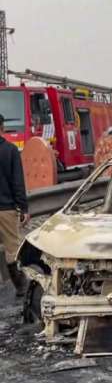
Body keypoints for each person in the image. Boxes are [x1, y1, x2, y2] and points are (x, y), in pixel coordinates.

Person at [0, 114, 29, 297]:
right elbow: (17, 183)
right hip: (6, 209)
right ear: (2, 126)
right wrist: (23, 208)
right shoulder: (10, 150)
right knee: (13, 250)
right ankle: (21, 288)